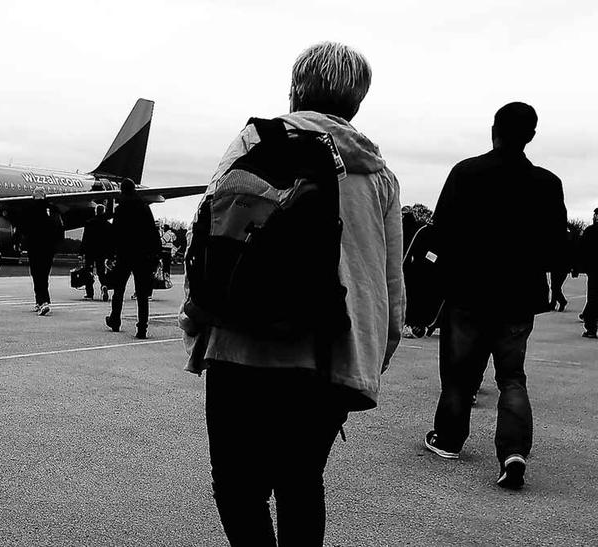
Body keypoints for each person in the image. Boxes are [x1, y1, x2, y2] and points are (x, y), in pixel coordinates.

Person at [180, 42, 404, 545]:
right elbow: (390, 284)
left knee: (239, 487)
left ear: (296, 89)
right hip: (329, 351)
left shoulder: (253, 144)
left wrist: (195, 321)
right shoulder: (379, 174)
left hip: (241, 343)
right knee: (302, 483)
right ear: (357, 101)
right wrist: (373, 355)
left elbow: (212, 230)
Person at [424, 102, 567, 491]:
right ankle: (513, 450)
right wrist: (554, 289)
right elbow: (558, 246)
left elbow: (441, 233)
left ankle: (450, 439)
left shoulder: (465, 173)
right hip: (519, 294)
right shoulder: (547, 183)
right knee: (512, 377)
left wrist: (436, 285)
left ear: (494, 129)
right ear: (531, 136)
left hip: (468, 290)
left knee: (459, 374)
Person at [105, 180, 162, 339]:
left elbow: (115, 233)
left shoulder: (121, 209)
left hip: (125, 254)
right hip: (143, 255)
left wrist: (110, 255)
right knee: (142, 294)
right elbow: (152, 231)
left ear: (122, 191)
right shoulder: (144, 208)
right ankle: (142, 328)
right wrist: (156, 254)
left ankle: (115, 320)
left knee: (119, 289)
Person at [23, 187, 64, 316]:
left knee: (36, 274)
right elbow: (60, 227)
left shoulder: (29, 209)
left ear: (34, 196)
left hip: (34, 246)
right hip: (49, 247)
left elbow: (24, 228)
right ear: (45, 196)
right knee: (44, 274)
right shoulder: (53, 209)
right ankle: (41, 300)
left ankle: (42, 301)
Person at [80, 204, 112, 301]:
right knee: (101, 271)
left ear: (95, 211)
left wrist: (81, 252)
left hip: (90, 251)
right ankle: (104, 285)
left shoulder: (89, 223)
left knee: (88, 271)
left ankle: (89, 293)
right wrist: (111, 254)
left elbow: (85, 239)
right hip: (102, 252)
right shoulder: (108, 225)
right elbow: (111, 241)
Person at [576, 208, 598, 337]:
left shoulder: (590, 231)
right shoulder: (590, 231)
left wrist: (580, 266)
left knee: (593, 297)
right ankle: (590, 324)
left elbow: (581, 250)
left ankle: (590, 327)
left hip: (594, 269)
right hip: (593, 269)